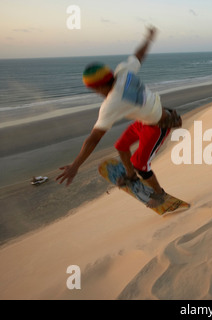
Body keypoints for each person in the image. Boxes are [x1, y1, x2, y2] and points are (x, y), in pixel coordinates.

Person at [56, 27, 182, 208]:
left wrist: (75, 166)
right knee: (121, 146)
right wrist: (148, 39)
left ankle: (159, 194)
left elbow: (94, 138)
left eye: (93, 90)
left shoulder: (112, 103)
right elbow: (139, 55)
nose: (96, 93)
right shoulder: (124, 72)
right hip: (145, 119)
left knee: (141, 164)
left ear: (98, 87)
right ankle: (130, 176)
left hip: (158, 126)